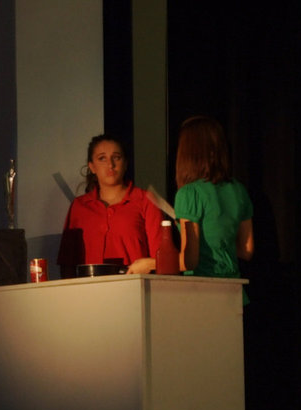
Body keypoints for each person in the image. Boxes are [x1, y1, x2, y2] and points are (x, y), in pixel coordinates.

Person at [57, 134, 163, 278]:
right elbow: (68, 263)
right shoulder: (80, 206)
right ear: (92, 167)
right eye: (102, 158)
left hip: (134, 290)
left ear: (125, 164)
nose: (110, 164)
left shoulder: (145, 200)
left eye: (116, 157)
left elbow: (162, 258)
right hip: (89, 292)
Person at [170, 116, 254, 285]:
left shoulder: (189, 193)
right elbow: (247, 250)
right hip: (234, 289)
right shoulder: (238, 189)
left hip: (202, 290)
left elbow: (189, 261)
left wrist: (149, 263)